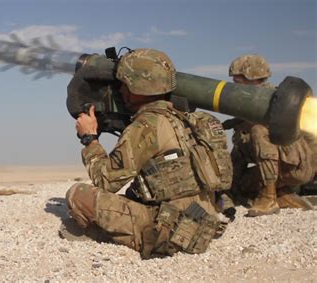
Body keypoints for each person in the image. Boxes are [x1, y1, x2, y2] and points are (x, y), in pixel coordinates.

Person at [61, 49, 228, 259]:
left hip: (170, 232)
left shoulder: (146, 125)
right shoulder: (189, 119)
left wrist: (89, 138)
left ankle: (109, 234)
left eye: (125, 83)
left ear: (137, 88)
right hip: (202, 221)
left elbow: (105, 180)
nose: (120, 90)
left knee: (78, 194)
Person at [224, 54, 314, 217]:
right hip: (282, 168)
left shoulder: (278, 101)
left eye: (238, 82)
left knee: (259, 130)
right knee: (239, 185)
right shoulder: (247, 108)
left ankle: (269, 197)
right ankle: (284, 197)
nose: (235, 87)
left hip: (296, 167)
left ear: (252, 77)